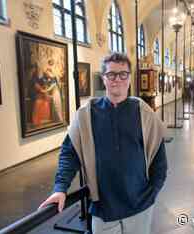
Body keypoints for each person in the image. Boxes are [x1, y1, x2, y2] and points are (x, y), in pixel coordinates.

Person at [39, 52, 168, 234]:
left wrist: (152, 192)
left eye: (123, 74)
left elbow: (159, 158)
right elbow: (69, 153)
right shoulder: (86, 114)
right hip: (103, 208)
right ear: (103, 79)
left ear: (130, 78)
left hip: (140, 206)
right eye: (111, 74)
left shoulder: (144, 113)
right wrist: (60, 188)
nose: (117, 79)